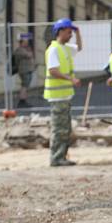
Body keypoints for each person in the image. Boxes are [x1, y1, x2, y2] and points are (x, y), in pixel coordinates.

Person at [44, 18, 82, 167]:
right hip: (57, 97)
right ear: (60, 32)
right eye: (69, 32)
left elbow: (78, 47)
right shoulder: (54, 49)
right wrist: (70, 79)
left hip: (64, 96)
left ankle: (61, 157)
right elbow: (53, 71)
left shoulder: (65, 48)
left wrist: (78, 32)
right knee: (59, 129)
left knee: (65, 129)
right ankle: (56, 158)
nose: (71, 35)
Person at [13, 38, 35, 108]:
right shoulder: (19, 50)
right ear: (21, 43)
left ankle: (24, 100)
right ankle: (22, 101)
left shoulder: (24, 49)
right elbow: (29, 55)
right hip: (24, 71)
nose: (27, 43)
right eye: (25, 42)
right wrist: (29, 51)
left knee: (25, 86)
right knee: (24, 86)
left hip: (27, 70)